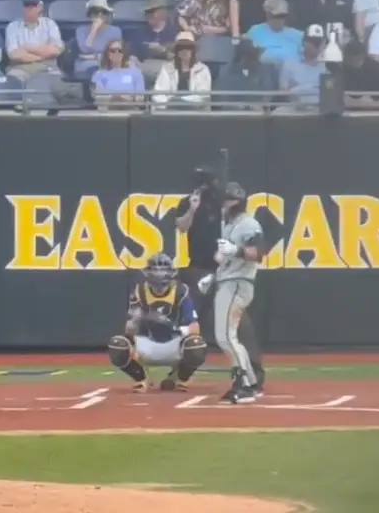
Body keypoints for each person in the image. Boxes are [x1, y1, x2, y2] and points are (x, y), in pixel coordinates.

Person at [176, 169, 266, 394]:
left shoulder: (233, 214)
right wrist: (192, 208)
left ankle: (251, 377)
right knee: (189, 321)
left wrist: (233, 251)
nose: (205, 187)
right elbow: (181, 226)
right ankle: (181, 373)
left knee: (234, 330)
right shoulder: (190, 203)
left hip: (231, 275)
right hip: (201, 270)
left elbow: (255, 249)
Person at [196, 181, 264, 405]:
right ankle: (250, 382)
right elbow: (225, 262)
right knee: (228, 336)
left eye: (227, 201)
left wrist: (236, 250)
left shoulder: (248, 224)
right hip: (227, 281)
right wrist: (212, 277)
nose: (224, 205)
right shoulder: (228, 226)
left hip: (238, 283)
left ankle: (243, 385)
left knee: (226, 337)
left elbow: (258, 253)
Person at [108, 253, 208, 393]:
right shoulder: (139, 291)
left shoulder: (180, 291)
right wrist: (138, 319)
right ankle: (141, 378)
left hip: (174, 342)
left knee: (197, 345)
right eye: (155, 270)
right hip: (147, 343)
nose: (159, 274)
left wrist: (174, 328)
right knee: (117, 344)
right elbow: (129, 329)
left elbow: (194, 327)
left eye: (162, 270)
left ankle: (178, 377)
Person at [4, 0, 63, 81]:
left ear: (40, 7)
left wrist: (26, 48)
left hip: (47, 67)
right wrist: (41, 56)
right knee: (13, 79)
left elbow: (55, 50)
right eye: (27, 6)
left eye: (33, 5)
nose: (29, 9)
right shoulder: (12, 26)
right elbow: (14, 55)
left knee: (57, 80)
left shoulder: (50, 24)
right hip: (20, 68)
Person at [151, 31, 212, 108]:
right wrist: (170, 104)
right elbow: (158, 94)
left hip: (195, 113)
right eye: (181, 48)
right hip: (170, 112)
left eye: (188, 48)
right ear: (176, 51)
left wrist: (180, 101)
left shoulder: (203, 69)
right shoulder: (167, 68)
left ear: (193, 50)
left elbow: (203, 96)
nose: (185, 51)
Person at [73, 0, 123, 79]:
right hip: (85, 66)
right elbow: (85, 49)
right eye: (96, 12)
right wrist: (94, 30)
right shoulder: (80, 30)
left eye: (103, 12)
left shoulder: (116, 31)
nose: (100, 15)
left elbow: (116, 51)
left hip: (108, 65)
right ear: (90, 15)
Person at [246, 0, 304, 65]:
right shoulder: (255, 31)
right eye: (276, 16)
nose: (279, 19)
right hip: (262, 72)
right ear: (268, 15)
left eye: (282, 16)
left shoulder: (298, 35)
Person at [91, 39, 145, 109]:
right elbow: (99, 98)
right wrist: (117, 97)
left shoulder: (136, 73)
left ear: (124, 53)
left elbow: (140, 99)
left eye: (119, 51)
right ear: (107, 53)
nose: (116, 53)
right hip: (107, 110)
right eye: (113, 51)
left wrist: (131, 99)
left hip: (131, 109)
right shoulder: (99, 74)